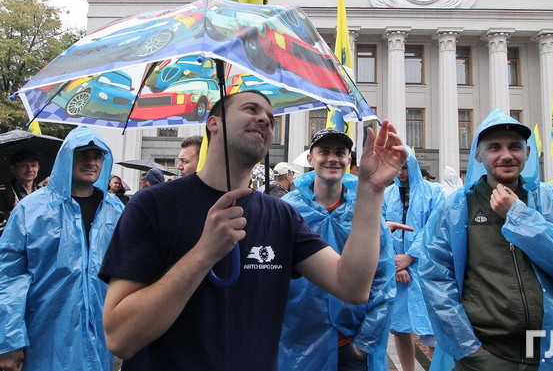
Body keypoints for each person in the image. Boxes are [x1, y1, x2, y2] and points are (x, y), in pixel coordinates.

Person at [99, 91, 407, 371]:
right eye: (251, 109)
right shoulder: (152, 205)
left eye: (270, 118)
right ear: (213, 123)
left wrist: (371, 190)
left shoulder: (282, 215)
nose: (264, 119)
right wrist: (203, 253)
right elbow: (120, 338)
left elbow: (352, 287)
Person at [419, 108, 553, 371]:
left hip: (551, 353)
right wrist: (470, 350)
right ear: (478, 154)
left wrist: (521, 218)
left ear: (527, 152)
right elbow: (435, 278)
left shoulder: (552, 201)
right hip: (485, 356)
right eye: (494, 147)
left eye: (515, 146)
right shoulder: (457, 208)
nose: (506, 155)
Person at [0, 126, 124, 371]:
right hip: (45, 335)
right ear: (67, 157)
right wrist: (9, 340)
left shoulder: (116, 210)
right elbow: (9, 275)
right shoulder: (31, 209)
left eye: (97, 155)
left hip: (102, 333)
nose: (91, 161)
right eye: (83, 154)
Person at [279, 128, 395, 371]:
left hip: (351, 346)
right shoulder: (287, 210)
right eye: (324, 151)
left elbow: (384, 281)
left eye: (340, 152)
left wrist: (363, 345)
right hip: (297, 346)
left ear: (348, 160)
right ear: (310, 159)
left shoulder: (366, 210)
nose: (333, 158)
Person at [382, 149, 444, 371]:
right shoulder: (387, 194)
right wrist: (396, 263)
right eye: (397, 168)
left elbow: (435, 227)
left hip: (427, 269)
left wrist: (411, 256)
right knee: (400, 327)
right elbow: (381, 228)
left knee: (433, 330)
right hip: (397, 269)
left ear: (414, 166)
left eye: (405, 167)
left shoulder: (434, 192)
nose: (400, 173)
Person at [0, 149, 41, 234]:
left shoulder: (44, 192)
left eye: (33, 165)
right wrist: (12, 215)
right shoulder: (3, 193)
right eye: (24, 166)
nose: (30, 169)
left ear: (38, 167)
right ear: (13, 169)